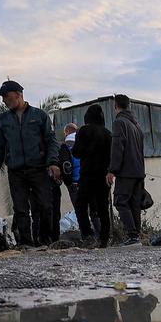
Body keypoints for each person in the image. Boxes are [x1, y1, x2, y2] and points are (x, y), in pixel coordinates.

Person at [0, 80, 60, 247]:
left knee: (45, 206)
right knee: (20, 209)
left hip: (39, 169)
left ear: (18, 95)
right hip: (16, 171)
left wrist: (53, 163)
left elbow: (51, 141)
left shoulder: (39, 116)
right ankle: (26, 243)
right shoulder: (2, 120)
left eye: (6, 96)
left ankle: (44, 240)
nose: (4, 100)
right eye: (2, 97)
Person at [107, 94, 146, 246]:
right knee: (134, 204)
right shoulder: (136, 125)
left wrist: (112, 170)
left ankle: (132, 235)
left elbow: (117, 147)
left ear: (116, 106)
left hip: (126, 171)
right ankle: (136, 236)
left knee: (121, 201)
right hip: (138, 171)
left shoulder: (119, 123)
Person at [72, 104, 112, 247]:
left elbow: (76, 152)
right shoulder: (107, 133)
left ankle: (88, 234)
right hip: (103, 176)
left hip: (87, 175)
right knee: (103, 208)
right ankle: (104, 239)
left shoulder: (83, 131)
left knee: (81, 205)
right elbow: (111, 156)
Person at [55, 123, 81, 238]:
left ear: (66, 132)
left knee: (79, 211)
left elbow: (64, 166)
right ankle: (97, 236)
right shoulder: (85, 143)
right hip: (87, 182)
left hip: (74, 184)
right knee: (93, 211)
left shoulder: (65, 146)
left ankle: (84, 236)